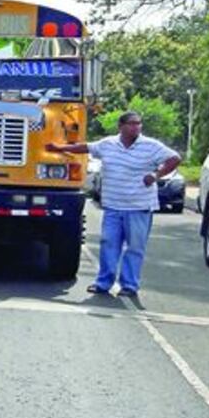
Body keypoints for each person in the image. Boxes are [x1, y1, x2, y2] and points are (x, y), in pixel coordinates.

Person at [47, 111, 180, 297]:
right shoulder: (108, 144)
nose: (136, 127)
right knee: (109, 244)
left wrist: (156, 175)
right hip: (113, 206)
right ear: (121, 126)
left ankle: (129, 285)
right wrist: (59, 148)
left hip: (139, 206)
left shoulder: (151, 146)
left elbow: (174, 158)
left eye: (139, 124)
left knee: (135, 247)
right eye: (132, 124)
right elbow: (86, 148)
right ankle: (103, 283)